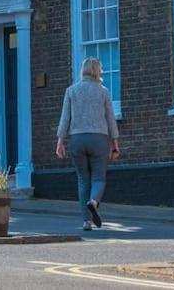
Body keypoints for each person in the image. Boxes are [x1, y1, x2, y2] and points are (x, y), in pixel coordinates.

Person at [55, 57, 120, 231]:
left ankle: (86, 221)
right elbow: (110, 119)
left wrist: (60, 142)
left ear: (82, 70)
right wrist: (115, 142)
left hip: (77, 139)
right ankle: (93, 202)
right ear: (98, 71)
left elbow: (65, 118)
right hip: (99, 139)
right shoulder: (103, 91)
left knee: (83, 179)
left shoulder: (71, 91)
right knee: (98, 178)